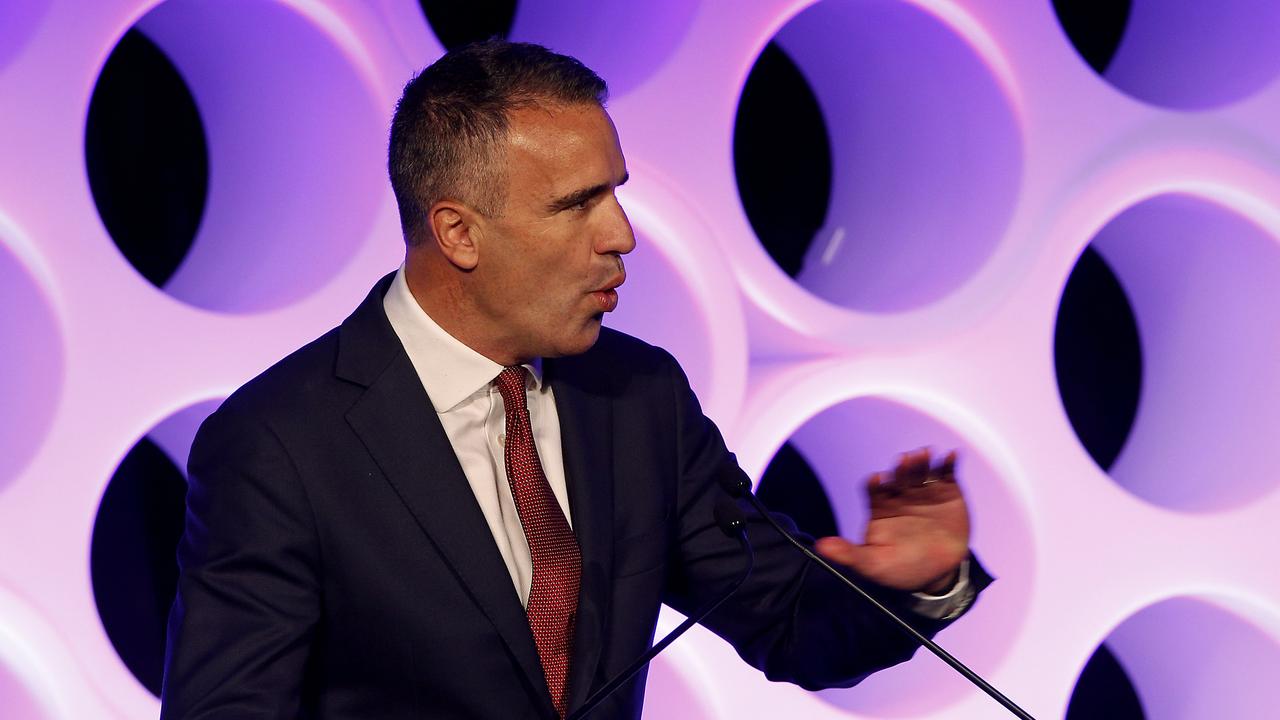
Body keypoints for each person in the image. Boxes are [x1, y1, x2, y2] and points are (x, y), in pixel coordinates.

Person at [160, 40, 989, 719]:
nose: (622, 235)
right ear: (458, 231)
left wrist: (914, 582)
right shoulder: (280, 444)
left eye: (616, 196)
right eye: (577, 204)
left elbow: (787, 622)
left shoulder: (637, 398)